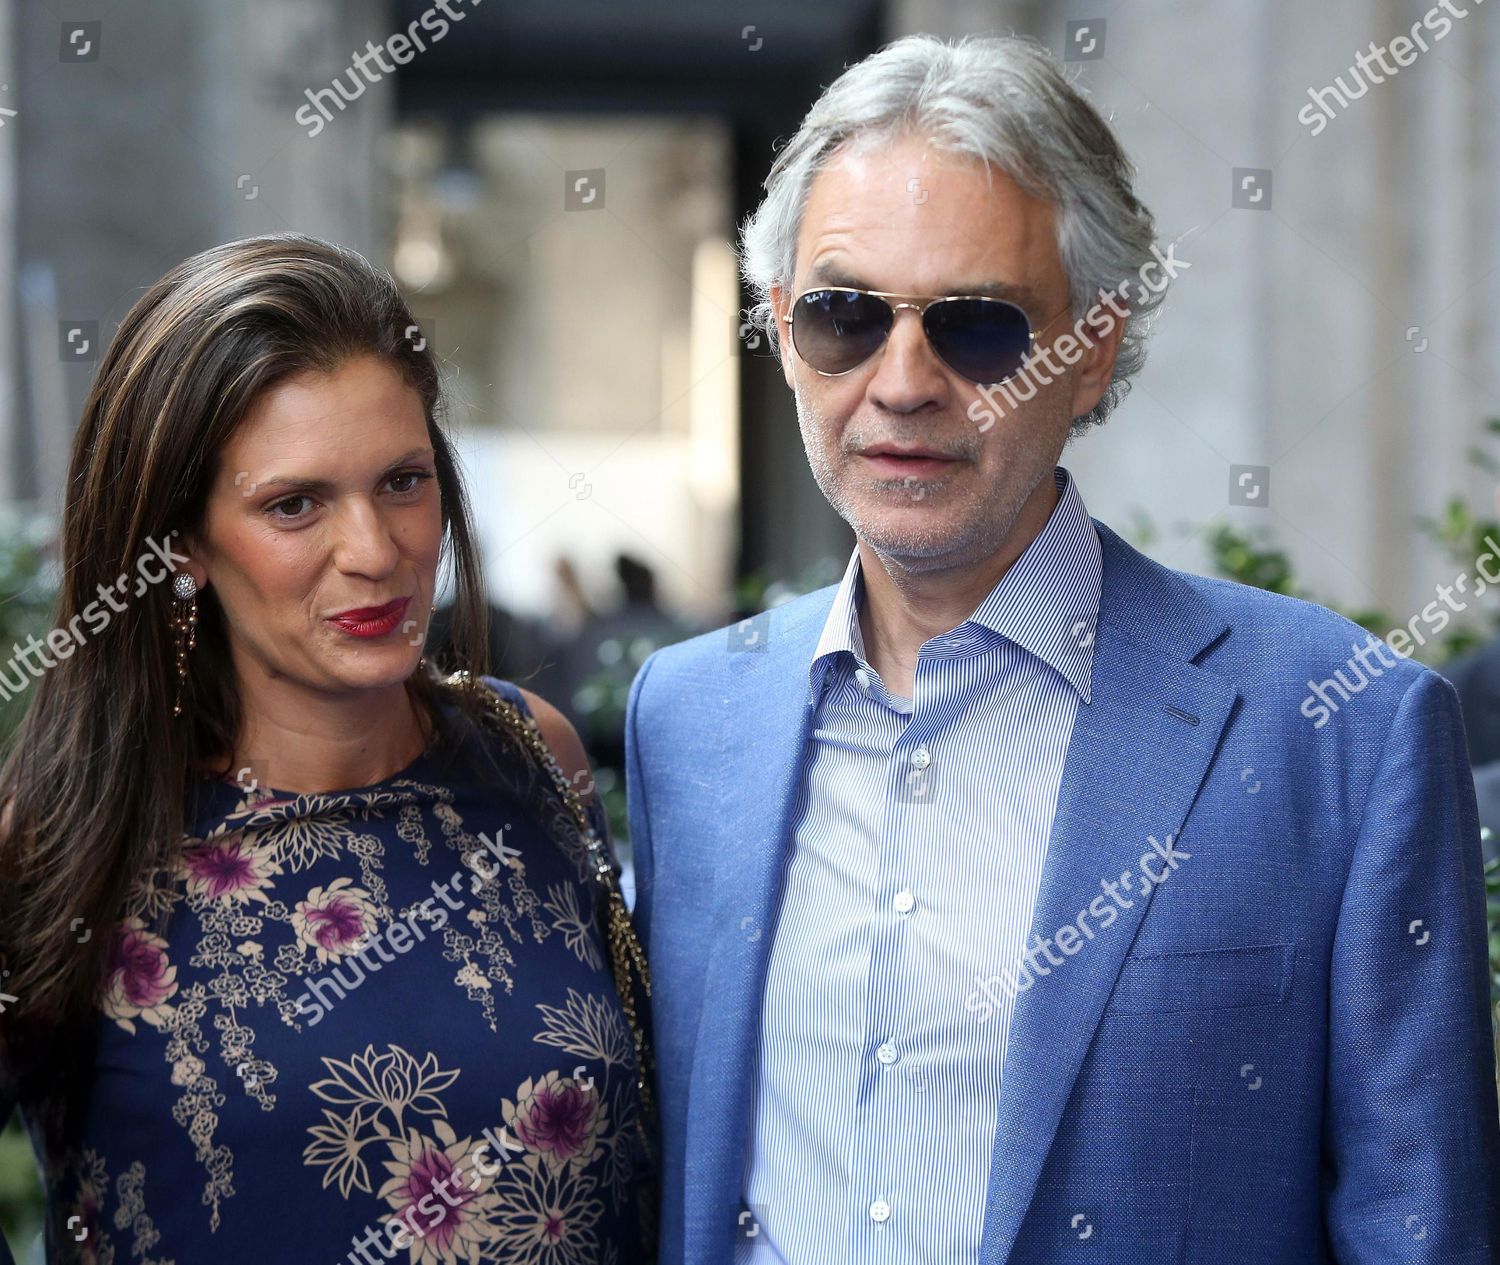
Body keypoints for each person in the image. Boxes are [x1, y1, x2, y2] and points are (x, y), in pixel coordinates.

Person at [624, 33, 1498, 1264]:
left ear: (1089, 348)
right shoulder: (689, 717)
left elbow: (1422, 1229)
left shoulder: (1341, 728)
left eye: (976, 327)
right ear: (778, 328)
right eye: (843, 315)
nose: (903, 380)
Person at [0, 234, 653, 1264]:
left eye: (402, 480)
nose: (375, 549)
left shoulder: (532, 753)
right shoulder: (61, 839)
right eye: (294, 503)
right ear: (182, 545)